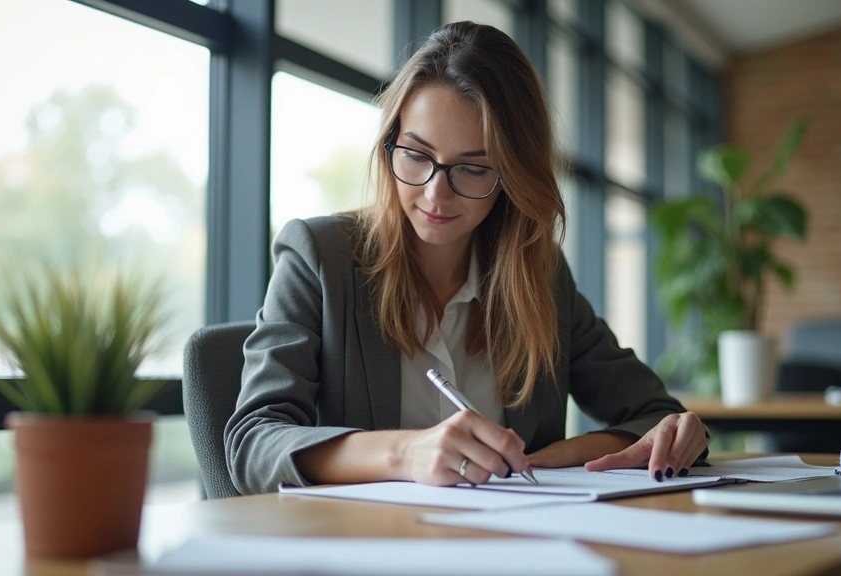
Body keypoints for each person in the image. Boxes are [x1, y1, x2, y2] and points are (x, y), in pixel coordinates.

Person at [225, 21, 710, 494]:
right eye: (415, 155)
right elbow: (253, 442)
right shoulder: (319, 257)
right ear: (388, 145)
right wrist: (406, 454)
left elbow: (653, 413)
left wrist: (558, 457)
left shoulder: (540, 279)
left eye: (474, 168)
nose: (437, 194)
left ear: (514, 178)